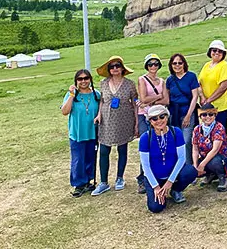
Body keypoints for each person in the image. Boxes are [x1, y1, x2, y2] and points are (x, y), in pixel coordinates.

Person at [92, 56, 138, 196]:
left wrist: (136, 122)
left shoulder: (130, 84)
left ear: (122, 68)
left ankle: (120, 178)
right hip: (107, 119)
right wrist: (99, 114)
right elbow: (102, 101)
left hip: (124, 119)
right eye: (112, 67)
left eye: (117, 66)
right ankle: (103, 182)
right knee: (104, 150)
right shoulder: (103, 83)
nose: (115, 69)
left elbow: (135, 103)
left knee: (122, 149)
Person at [138, 105, 198, 213]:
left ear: (167, 117)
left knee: (191, 171)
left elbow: (181, 158)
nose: (159, 121)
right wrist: (156, 187)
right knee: (155, 208)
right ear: (150, 121)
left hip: (172, 176)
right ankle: (160, 193)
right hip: (155, 178)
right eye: (154, 118)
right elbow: (145, 165)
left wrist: (170, 181)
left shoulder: (176, 132)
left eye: (162, 116)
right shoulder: (145, 138)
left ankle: (175, 190)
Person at [61, 69, 100, 197]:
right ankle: (79, 184)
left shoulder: (96, 94)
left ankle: (88, 181)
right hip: (77, 133)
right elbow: (65, 111)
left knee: (90, 158)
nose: (83, 81)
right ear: (76, 81)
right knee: (78, 160)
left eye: (86, 78)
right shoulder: (72, 95)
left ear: (90, 79)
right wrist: (72, 95)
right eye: (80, 79)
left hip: (92, 133)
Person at [136, 54, 168, 194]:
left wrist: (151, 101)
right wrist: (158, 97)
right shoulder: (142, 79)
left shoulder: (162, 81)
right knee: (146, 145)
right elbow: (142, 98)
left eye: (156, 64)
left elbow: (167, 101)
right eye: (150, 64)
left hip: (160, 117)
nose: (153, 67)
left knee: (160, 145)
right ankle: (143, 179)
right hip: (145, 116)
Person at [192, 103, 227, 192]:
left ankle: (223, 177)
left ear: (215, 115)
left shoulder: (219, 127)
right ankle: (211, 174)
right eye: (204, 114)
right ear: (200, 116)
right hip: (206, 157)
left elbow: (215, 150)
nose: (207, 117)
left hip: (222, 158)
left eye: (211, 114)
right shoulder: (197, 129)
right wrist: (196, 166)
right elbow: (195, 149)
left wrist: (202, 165)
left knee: (213, 161)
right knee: (192, 169)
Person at [166, 53, 199, 165]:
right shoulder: (170, 80)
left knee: (186, 140)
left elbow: (195, 96)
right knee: (176, 141)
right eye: (174, 63)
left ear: (184, 64)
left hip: (187, 111)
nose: (177, 65)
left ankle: (189, 167)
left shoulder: (191, 76)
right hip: (174, 113)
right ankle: (178, 166)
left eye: (180, 63)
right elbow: (167, 99)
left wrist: (188, 115)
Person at [198, 40, 227, 131]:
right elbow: (199, 82)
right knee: (208, 131)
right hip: (206, 106)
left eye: (220, 51)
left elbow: (223, 86)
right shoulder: (206, 65)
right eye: (214, 50)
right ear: (210, 52)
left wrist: (209, 100)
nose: (217, 52)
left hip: (219, 106)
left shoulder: (224, 65)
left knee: (219, 132)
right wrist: (202, 97)